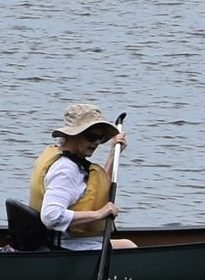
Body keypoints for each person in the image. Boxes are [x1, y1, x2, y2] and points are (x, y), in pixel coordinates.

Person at [22, 101, 127, 253]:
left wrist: (113, 155)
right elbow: (51, 216)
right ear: (74, 134)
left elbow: (95, 188)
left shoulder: (67, 160)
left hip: (69, 241)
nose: (96, 142)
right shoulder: (65, 170)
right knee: (129, 247)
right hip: (64, 247)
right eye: (91, 136)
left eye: (100, 138)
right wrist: (99, 214)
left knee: (126, 244)